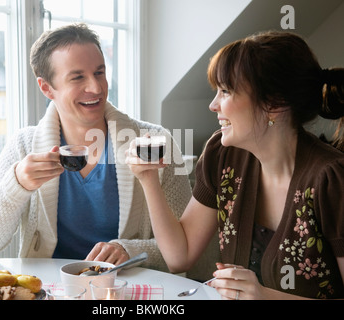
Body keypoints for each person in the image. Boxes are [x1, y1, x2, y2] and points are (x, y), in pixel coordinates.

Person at [126, 30, 344, 299]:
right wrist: (148, 178)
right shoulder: (222, 155)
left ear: (274, 103)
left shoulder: (331, 179)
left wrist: (266, 296)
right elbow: (179, 256)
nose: (213, 105)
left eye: (226, 92)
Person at [0, 23, 192, 272]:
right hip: (50, 290)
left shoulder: (157, 142)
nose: (96, 88)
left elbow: (187, 245)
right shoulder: (24, 146)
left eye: (99, 72)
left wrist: (130, 249)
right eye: (78, 77)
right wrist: (17, 184)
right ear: (47, 88)